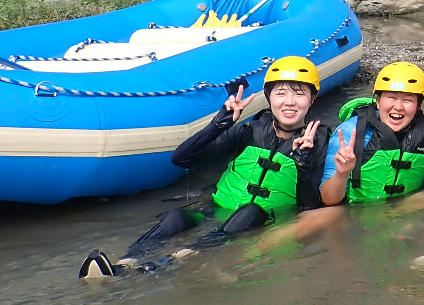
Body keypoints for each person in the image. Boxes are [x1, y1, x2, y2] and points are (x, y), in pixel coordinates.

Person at [79, 56, 329, 278]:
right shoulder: (249, 131)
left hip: (263, 219)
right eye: (281, 93)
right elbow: (181, 158)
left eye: (299, 94)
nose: (289, 102)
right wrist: (217, 125)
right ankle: (126, 263)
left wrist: (303, 163)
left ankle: (177, 259)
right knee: (176, 216)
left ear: (312, 99)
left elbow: (308, 206)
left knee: (251, 209)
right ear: (269, 97)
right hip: (219, 210)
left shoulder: (317, 142)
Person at [320, 61, 424, 207]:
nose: (398, 107)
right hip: (355, 210)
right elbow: (329, 199)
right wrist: (342, 174)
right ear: (378, 101)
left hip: (403, 210)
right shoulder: (349, 133)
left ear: (418, 107)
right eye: (391, 98)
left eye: (408, 100)